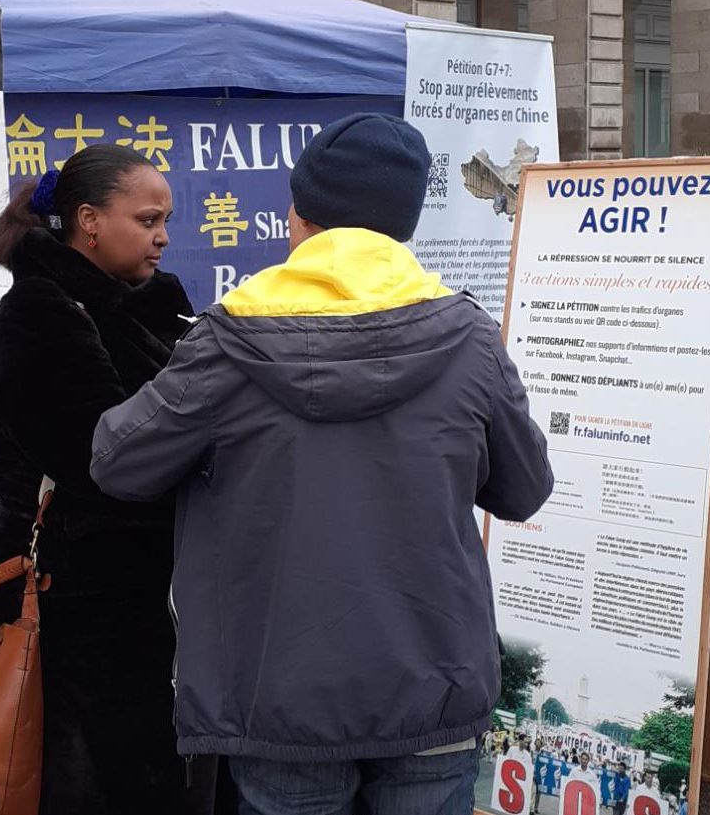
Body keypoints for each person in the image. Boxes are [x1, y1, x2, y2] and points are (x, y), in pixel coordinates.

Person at [90, 113, 553, 815]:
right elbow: (524, 490)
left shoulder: (227, 339)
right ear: (402, 227)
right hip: (435, 679)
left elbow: (117, 462)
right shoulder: (468, 337)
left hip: (276, 694)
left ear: (300, 218)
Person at [0, 144, 214, 815]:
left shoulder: (144, 305)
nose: (162, 236)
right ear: (89, 221)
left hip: (134, 586)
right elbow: (105, 461)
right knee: (87, 774)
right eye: (147, 219)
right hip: (70, 588)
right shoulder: (43, 314)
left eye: (165, 220)